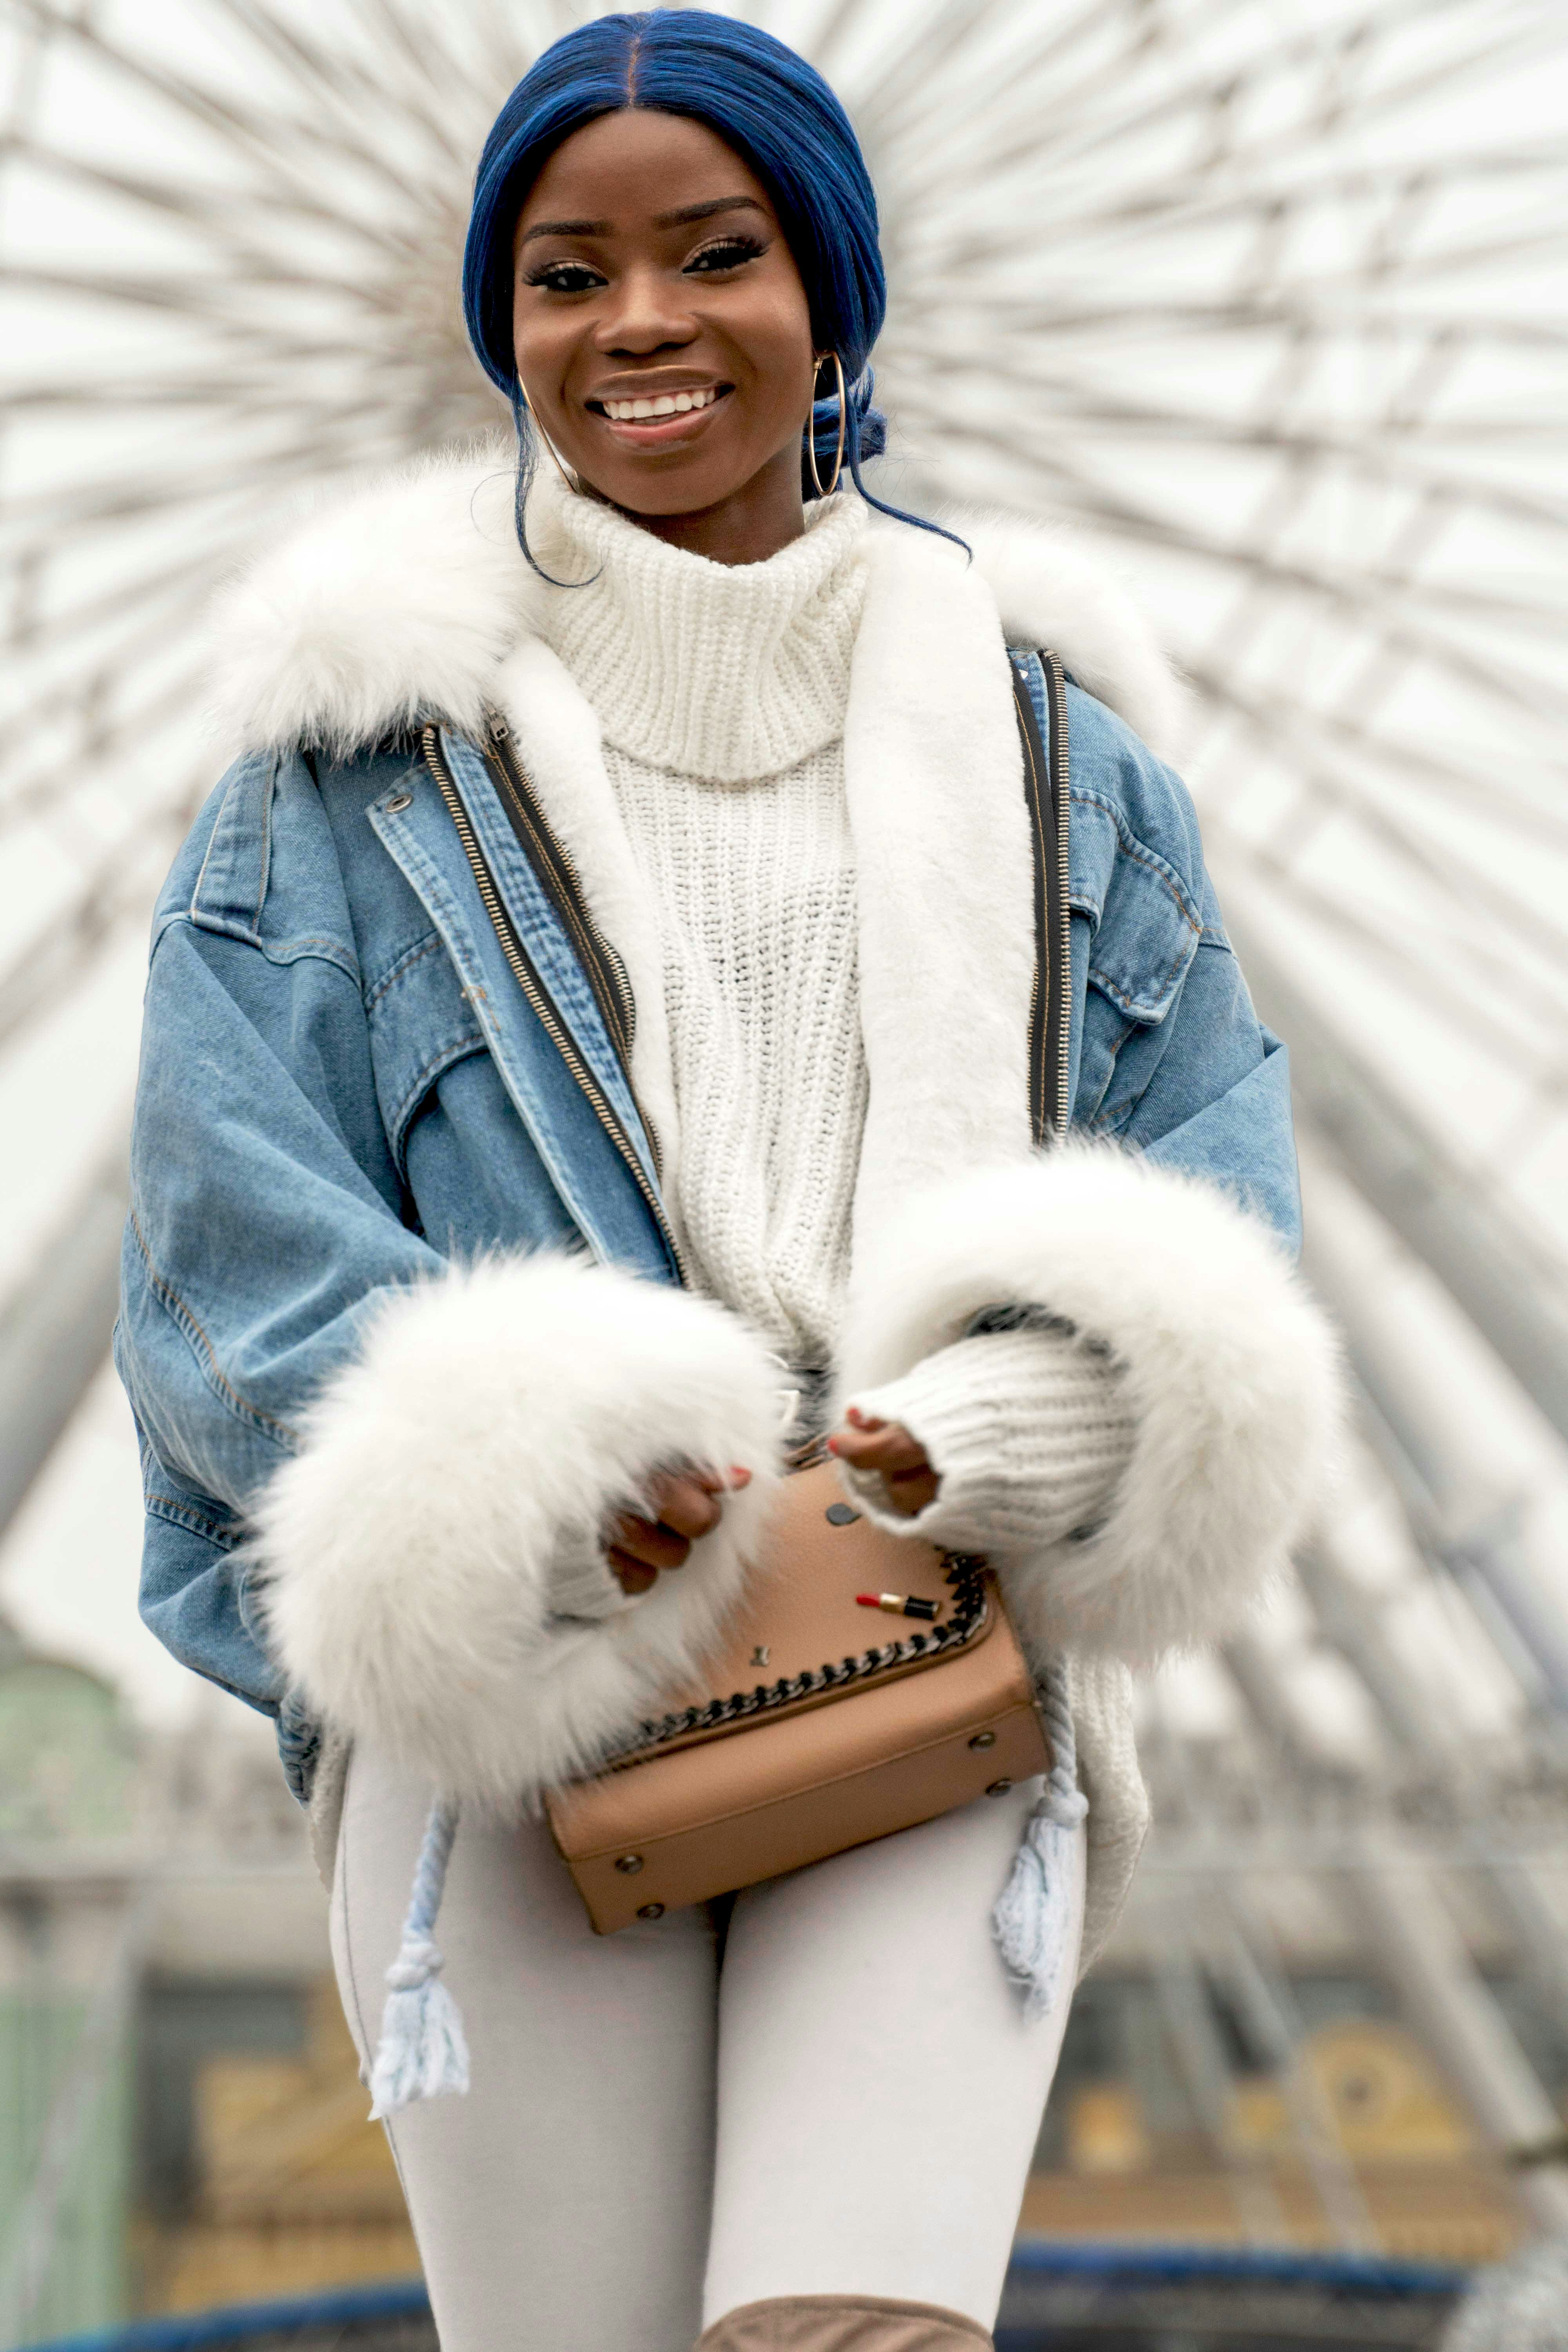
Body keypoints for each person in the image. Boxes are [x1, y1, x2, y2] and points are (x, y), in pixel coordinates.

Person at [115, 14, 1339, 2349]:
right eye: (567, 277)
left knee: (851, 2329)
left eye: (715, 254)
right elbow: (220, 1255)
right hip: (524, 1686)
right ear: (505, 333)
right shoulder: (341, 785)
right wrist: (538, 1483)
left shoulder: (1069, 769)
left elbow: (1214, 1204)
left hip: (921, 1628)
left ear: (832, 295)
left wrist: (1004, 1425)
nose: (641, 324)